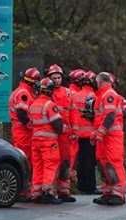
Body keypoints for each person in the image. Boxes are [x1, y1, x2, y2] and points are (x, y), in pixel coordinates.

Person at [91, 72, 126, 205]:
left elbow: (110, 117)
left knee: (113, 164)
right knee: (103, 164)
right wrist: (95, 134)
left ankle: (118, 194)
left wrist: (99, 133)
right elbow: (99, 118)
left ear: (100, 82)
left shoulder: (109, 95)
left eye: (96, 82)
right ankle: (108, 192)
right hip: (104, 138)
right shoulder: (101, 96)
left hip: (111, 137)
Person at [29, 78, 64, 204]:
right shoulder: (50, 105)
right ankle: (47, 192)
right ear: (49, 91)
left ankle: (36, 193)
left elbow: (31, 122)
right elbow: (57, 124)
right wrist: (64, 129)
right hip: (49, 141)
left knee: (38, 165)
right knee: (51, 164)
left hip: (36, 140)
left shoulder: (33, 105)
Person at [8, 67, 41, 202]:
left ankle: (24, 190)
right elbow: (22, 113)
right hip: (23, 132)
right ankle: (23, 191)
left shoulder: (21, 91)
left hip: (20, 131)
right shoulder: (24, 93)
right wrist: (30, 126)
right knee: (25, 161)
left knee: (25, 160)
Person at [47, 64, 77, 202]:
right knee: (52, 162)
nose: (57, 80)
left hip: (65, 133)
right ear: (49, 78)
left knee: (66, 161)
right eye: (54, 78)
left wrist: (74, 130)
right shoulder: (46, 91)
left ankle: (64, 191)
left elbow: (73, 112)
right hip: (51, 133)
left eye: (59, 78)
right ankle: (49, 191)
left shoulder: (67, 92)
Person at [71, 70, 102, 195]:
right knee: (90, 161)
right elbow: (95, 115)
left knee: (81, 160)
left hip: (78, 133)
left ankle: (81, 184)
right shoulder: (93, 96)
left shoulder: (74, 95)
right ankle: (90, 186)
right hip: (89, 133)